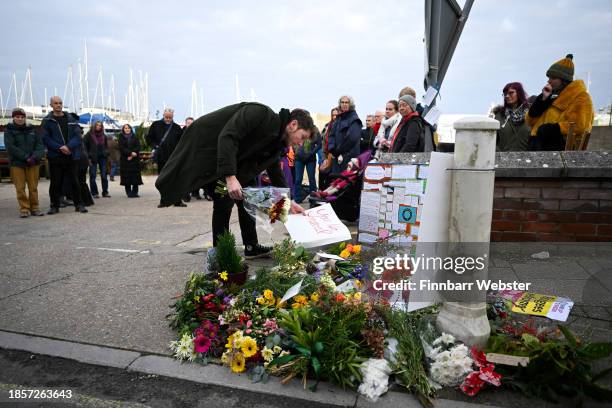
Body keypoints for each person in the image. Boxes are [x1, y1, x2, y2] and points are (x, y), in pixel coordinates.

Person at [155, 102, 313, 259]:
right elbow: (228, 136)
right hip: (210, 149)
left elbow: (274, 169)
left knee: (248, 196)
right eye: (302, 137)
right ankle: (221, 251)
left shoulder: (277, 141)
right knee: (223, 198)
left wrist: (287, 200)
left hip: (240, 165)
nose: (300, 143)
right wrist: (230, 177)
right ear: (293, 124)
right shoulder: (259, 114)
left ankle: (251, 246)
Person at [526, 54, 594, 151]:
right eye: (549, 77)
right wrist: (542, 100)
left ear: (563, 80)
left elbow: (580, 126)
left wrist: (551, 129)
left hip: (560, 153)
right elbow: (529, 121)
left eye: (553, 78)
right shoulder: (552, 96)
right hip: (539, 151)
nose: (549, 81)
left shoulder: (581, 97)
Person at [42, 96, 87, 214]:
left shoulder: (71, 119)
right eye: (56, 103)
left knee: (74, 181)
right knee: (55, 183)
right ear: (51, 105)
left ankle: (79, 204)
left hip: (71, 155)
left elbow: (78, 136)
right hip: (56, 156)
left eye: (60, 103)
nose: (58, 105)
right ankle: (54, 205)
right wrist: (60, 147)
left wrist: (68, 147)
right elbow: (46, 138)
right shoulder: (47, 120)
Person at [4, 108, 45, 218]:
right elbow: (11, 147)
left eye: (22, 117)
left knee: (33, 187)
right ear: (13, 117)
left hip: (33, 163)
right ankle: (24, 208)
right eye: (17, 117)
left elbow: (40, 145)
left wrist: (35, 156)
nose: (20, 119)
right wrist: (26, 157)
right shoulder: (9, 130)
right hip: (17, 164)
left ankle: (35, 208)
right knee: (20, 188)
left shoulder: (32, 129)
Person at [146, 108, 185, 206]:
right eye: (166, 117)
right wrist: (155, 146)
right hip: (161, 156)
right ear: (163, 115)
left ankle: (177, 201)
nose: (168, 119)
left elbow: (182, 141)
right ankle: (163, 200)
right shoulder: (156, 125)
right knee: (163, 179)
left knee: (175, 179)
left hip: (173, 157)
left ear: (173, 117)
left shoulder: (176, 127)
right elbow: (149, 138)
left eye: (170, 117)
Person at [491, 82, 531, 151]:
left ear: (519, 93)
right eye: (505, 93)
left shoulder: (531, 114)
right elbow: (492, 140)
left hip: (526, 159)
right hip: (503, 159)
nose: (507, 96)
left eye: (511, 93)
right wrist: (499, 155)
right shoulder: (499, 116)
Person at [328, 95, 362, 173]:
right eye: (342, 102)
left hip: (349, 157)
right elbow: (331, 135)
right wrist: (332, 149)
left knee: (346, 182)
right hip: (336, 157)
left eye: (347, 102)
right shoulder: (338, 118)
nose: (344, 104)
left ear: (351, 104)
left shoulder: (355, 119)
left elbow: (351, 139)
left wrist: (338, 151)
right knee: (336, 180)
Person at [293, 128, 322, 203]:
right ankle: (297, 199)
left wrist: (312, 153)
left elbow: (319, 144)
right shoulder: (297, 129)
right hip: (299, 158)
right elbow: (293, 141)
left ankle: (313, 198)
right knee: (298, 179)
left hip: (311, 159)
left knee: (311, 178)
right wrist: (296, 151)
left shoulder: (314, 130)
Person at [84, 121, 110, 197]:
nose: (99, 126)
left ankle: (105, 192)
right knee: (92, 175)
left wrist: (106, 152)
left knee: (104, 175)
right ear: (94, 126)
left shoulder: (104, 135)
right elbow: (84, 146)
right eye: (97, 125)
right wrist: (88, 156)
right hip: (93, 157)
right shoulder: (89, 135)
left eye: (100, 125)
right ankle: (94, 193)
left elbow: (106, 146)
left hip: (103, 157)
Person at [118, 124, 143, 198]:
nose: (127, 129)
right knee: (126, 176)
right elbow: (121, 148)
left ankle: (135, 192)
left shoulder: (135, 137)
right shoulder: (121, 137)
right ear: (123, 129)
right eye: (125, 128)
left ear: (130, 129)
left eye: (128, 128)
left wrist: (132, 154)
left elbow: (138, 146)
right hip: (125, 159)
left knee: (135, 176)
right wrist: (130, 153)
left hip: (134, 159)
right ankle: (128, 192)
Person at [319, 107, 339, 190]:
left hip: (337, 156)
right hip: (327, 156)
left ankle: (330, 198)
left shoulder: (342, 127)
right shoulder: (327, 126)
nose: (334, 117)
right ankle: (321, 194)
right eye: (333, 115)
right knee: (322, 173)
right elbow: (323, 143)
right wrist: (324, 159)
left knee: (332, 178)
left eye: (336, 115)